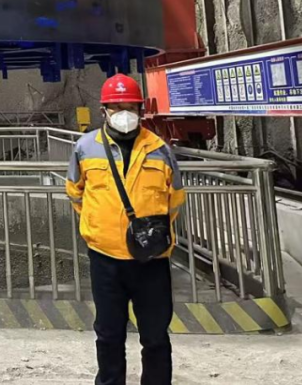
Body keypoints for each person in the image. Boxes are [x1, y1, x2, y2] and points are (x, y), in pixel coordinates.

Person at [66, 74, 184, 385]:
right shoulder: (85, 147)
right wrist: (98, 225)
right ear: (103, 111)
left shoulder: (160, 149)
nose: (124, 114)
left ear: (141, 110)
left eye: (130, 107)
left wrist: (152, 235)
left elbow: (175, 199)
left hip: (151, 260)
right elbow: (75, 192)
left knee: (155, 336)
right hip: (105, 258)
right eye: (117, 107)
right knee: (108, 334)